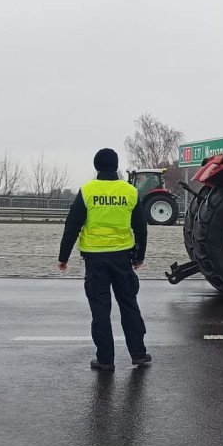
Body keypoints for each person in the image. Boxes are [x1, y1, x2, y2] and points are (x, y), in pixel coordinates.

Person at [58, 148, 151, 371]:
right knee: (129, 306)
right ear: (116, 166)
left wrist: (63, 256)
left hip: (95, 260)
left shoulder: (87, 191)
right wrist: (140, 256)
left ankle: (105, 359)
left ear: (96, 166)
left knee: (100, 310)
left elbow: (72, 225)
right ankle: (138, 354)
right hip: (122, 258)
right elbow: (140, 227)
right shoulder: (129, 191)